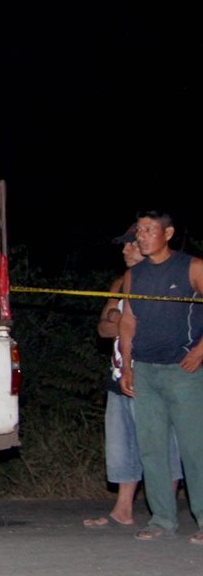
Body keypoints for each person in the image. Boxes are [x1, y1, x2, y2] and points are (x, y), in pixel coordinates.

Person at [84, 224, 181, 528]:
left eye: (131, 244)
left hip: (154, 374)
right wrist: (120, 320)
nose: (125, 250)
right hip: (119, 375)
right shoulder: (119, 283)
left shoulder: (168, 281)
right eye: (125, 244)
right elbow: (104, 328)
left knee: (161, 445)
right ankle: (122, 510)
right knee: (121, 445)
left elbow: (158, 329)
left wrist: (121, 318)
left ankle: (163, 514)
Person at [119, 210, 203, 543]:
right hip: (147, 371)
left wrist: (200, 350)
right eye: (138, 231)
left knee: (194, 449)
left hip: (183, 371)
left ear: (167, 233)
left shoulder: (192, 266)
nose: (141, 236)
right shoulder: (134, 275)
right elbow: (128, 321)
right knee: (151, 449)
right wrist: (127, 366)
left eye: (149, 230)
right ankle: (162, 519)